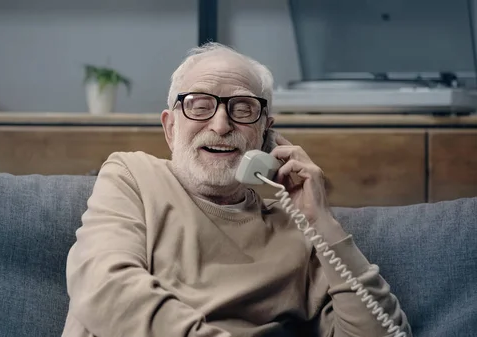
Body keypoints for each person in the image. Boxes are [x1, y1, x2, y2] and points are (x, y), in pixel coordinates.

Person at [62, 42, 412, 337]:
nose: (220, 125)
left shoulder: (297, 228)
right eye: (199, 106)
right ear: (170, 128)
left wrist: (322, 222)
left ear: (265, 133)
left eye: (242, 109)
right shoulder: (132, 175)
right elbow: (103, 285)